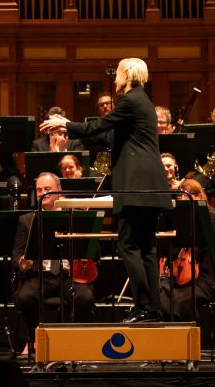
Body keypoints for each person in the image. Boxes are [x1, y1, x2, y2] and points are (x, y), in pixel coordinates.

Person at [42, 57, 171, 323]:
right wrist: (73, 130)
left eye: (119, 74)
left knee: (128, 245)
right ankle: (152, 308)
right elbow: (109, 136)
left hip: (135, 183)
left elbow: (100, 125)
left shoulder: (130, 100)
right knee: (146, 248)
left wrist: (66, 124)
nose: (115, 79)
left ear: (128, 75)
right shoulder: (142, 100)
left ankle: (144, 306)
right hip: (151, 183)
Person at [12, 172, 95, 341]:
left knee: (85, 298)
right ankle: (37, 339)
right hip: (40, 276)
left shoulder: (74, 216)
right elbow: (16, 254)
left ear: (59, 190)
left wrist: (82, 247)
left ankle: (74, 339)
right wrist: (23, 264)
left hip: (70, 275)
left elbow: (93, 250)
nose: (43, 193)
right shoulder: (26, 220)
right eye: (39, 190)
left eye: (48, 189)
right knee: (25, 297)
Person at [158, 179, 215, 320]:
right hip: (181, 277)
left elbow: (210, 250)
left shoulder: (210, 218)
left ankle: (187, 332)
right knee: (160, 294)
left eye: (186, 195)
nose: (182, 199)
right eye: (180, 196)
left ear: (198, 196)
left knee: (180, 301)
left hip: (203, 280)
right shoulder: (180, 219)